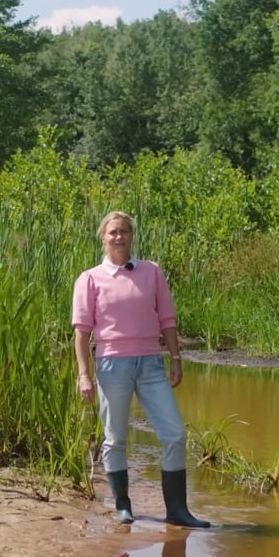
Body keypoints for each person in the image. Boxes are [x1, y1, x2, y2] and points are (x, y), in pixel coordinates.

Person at [70, 210, 209, 528]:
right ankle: (122, 505)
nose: (119, 237)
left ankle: (177, 510)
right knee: (115, 438)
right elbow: (80, 334)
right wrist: (83, 375)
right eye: (113, 232)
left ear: (132, 235)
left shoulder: (152, 272)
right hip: (111, 364)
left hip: (151, 363)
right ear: (103, 237)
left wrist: (175, 358)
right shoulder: (89, 279)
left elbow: (168, 320)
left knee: (174, 433)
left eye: (124, 231)